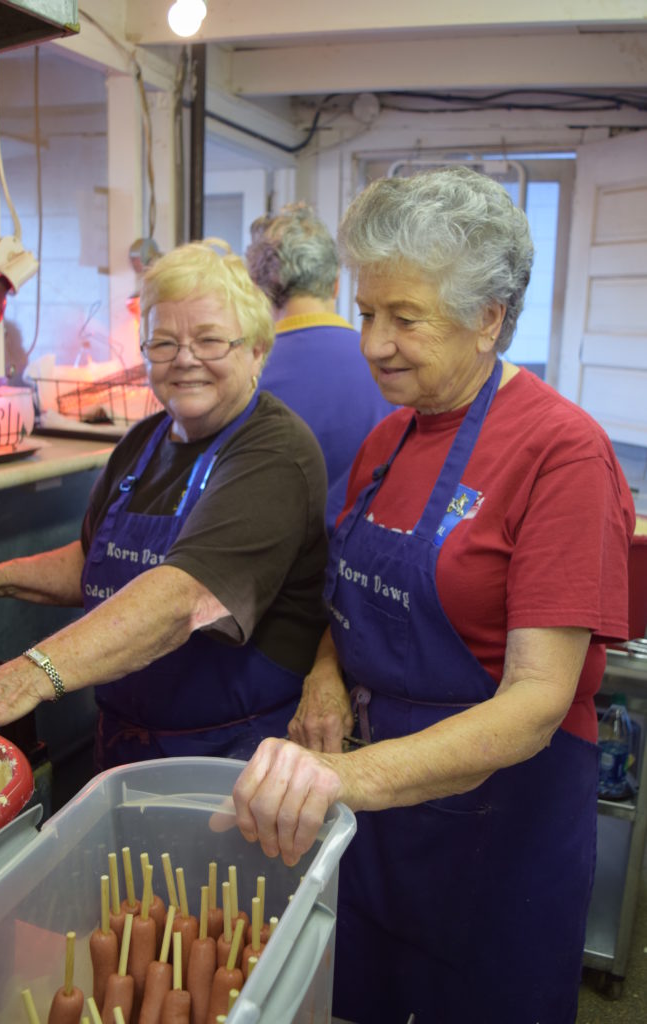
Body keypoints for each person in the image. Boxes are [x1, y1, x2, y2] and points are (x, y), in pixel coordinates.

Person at [231, 168, 636, 1024]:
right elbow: (347, 596)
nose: (373, 342)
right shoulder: (388, 436)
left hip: (496, 826)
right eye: (368, 311)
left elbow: (533, 704)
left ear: (488, 318)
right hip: (379, 818)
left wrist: (338, 776)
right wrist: (325, 675)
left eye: (403, 318)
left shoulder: (562, 454)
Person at [0, 240, 328, 769]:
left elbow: (183, 601)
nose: (184, 359)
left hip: (230, 756)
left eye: (209, 340)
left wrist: (17, 681)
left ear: (256, 351)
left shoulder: (274, 453)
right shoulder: (144, 442)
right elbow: (92, 564)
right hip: (123, 743)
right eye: (163, 343)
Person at [246, 202, 393, 533]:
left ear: (258, 289)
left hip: (266, 565)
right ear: (337, 282)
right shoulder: (387, 366)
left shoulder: (244, 373)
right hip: (358, 564)